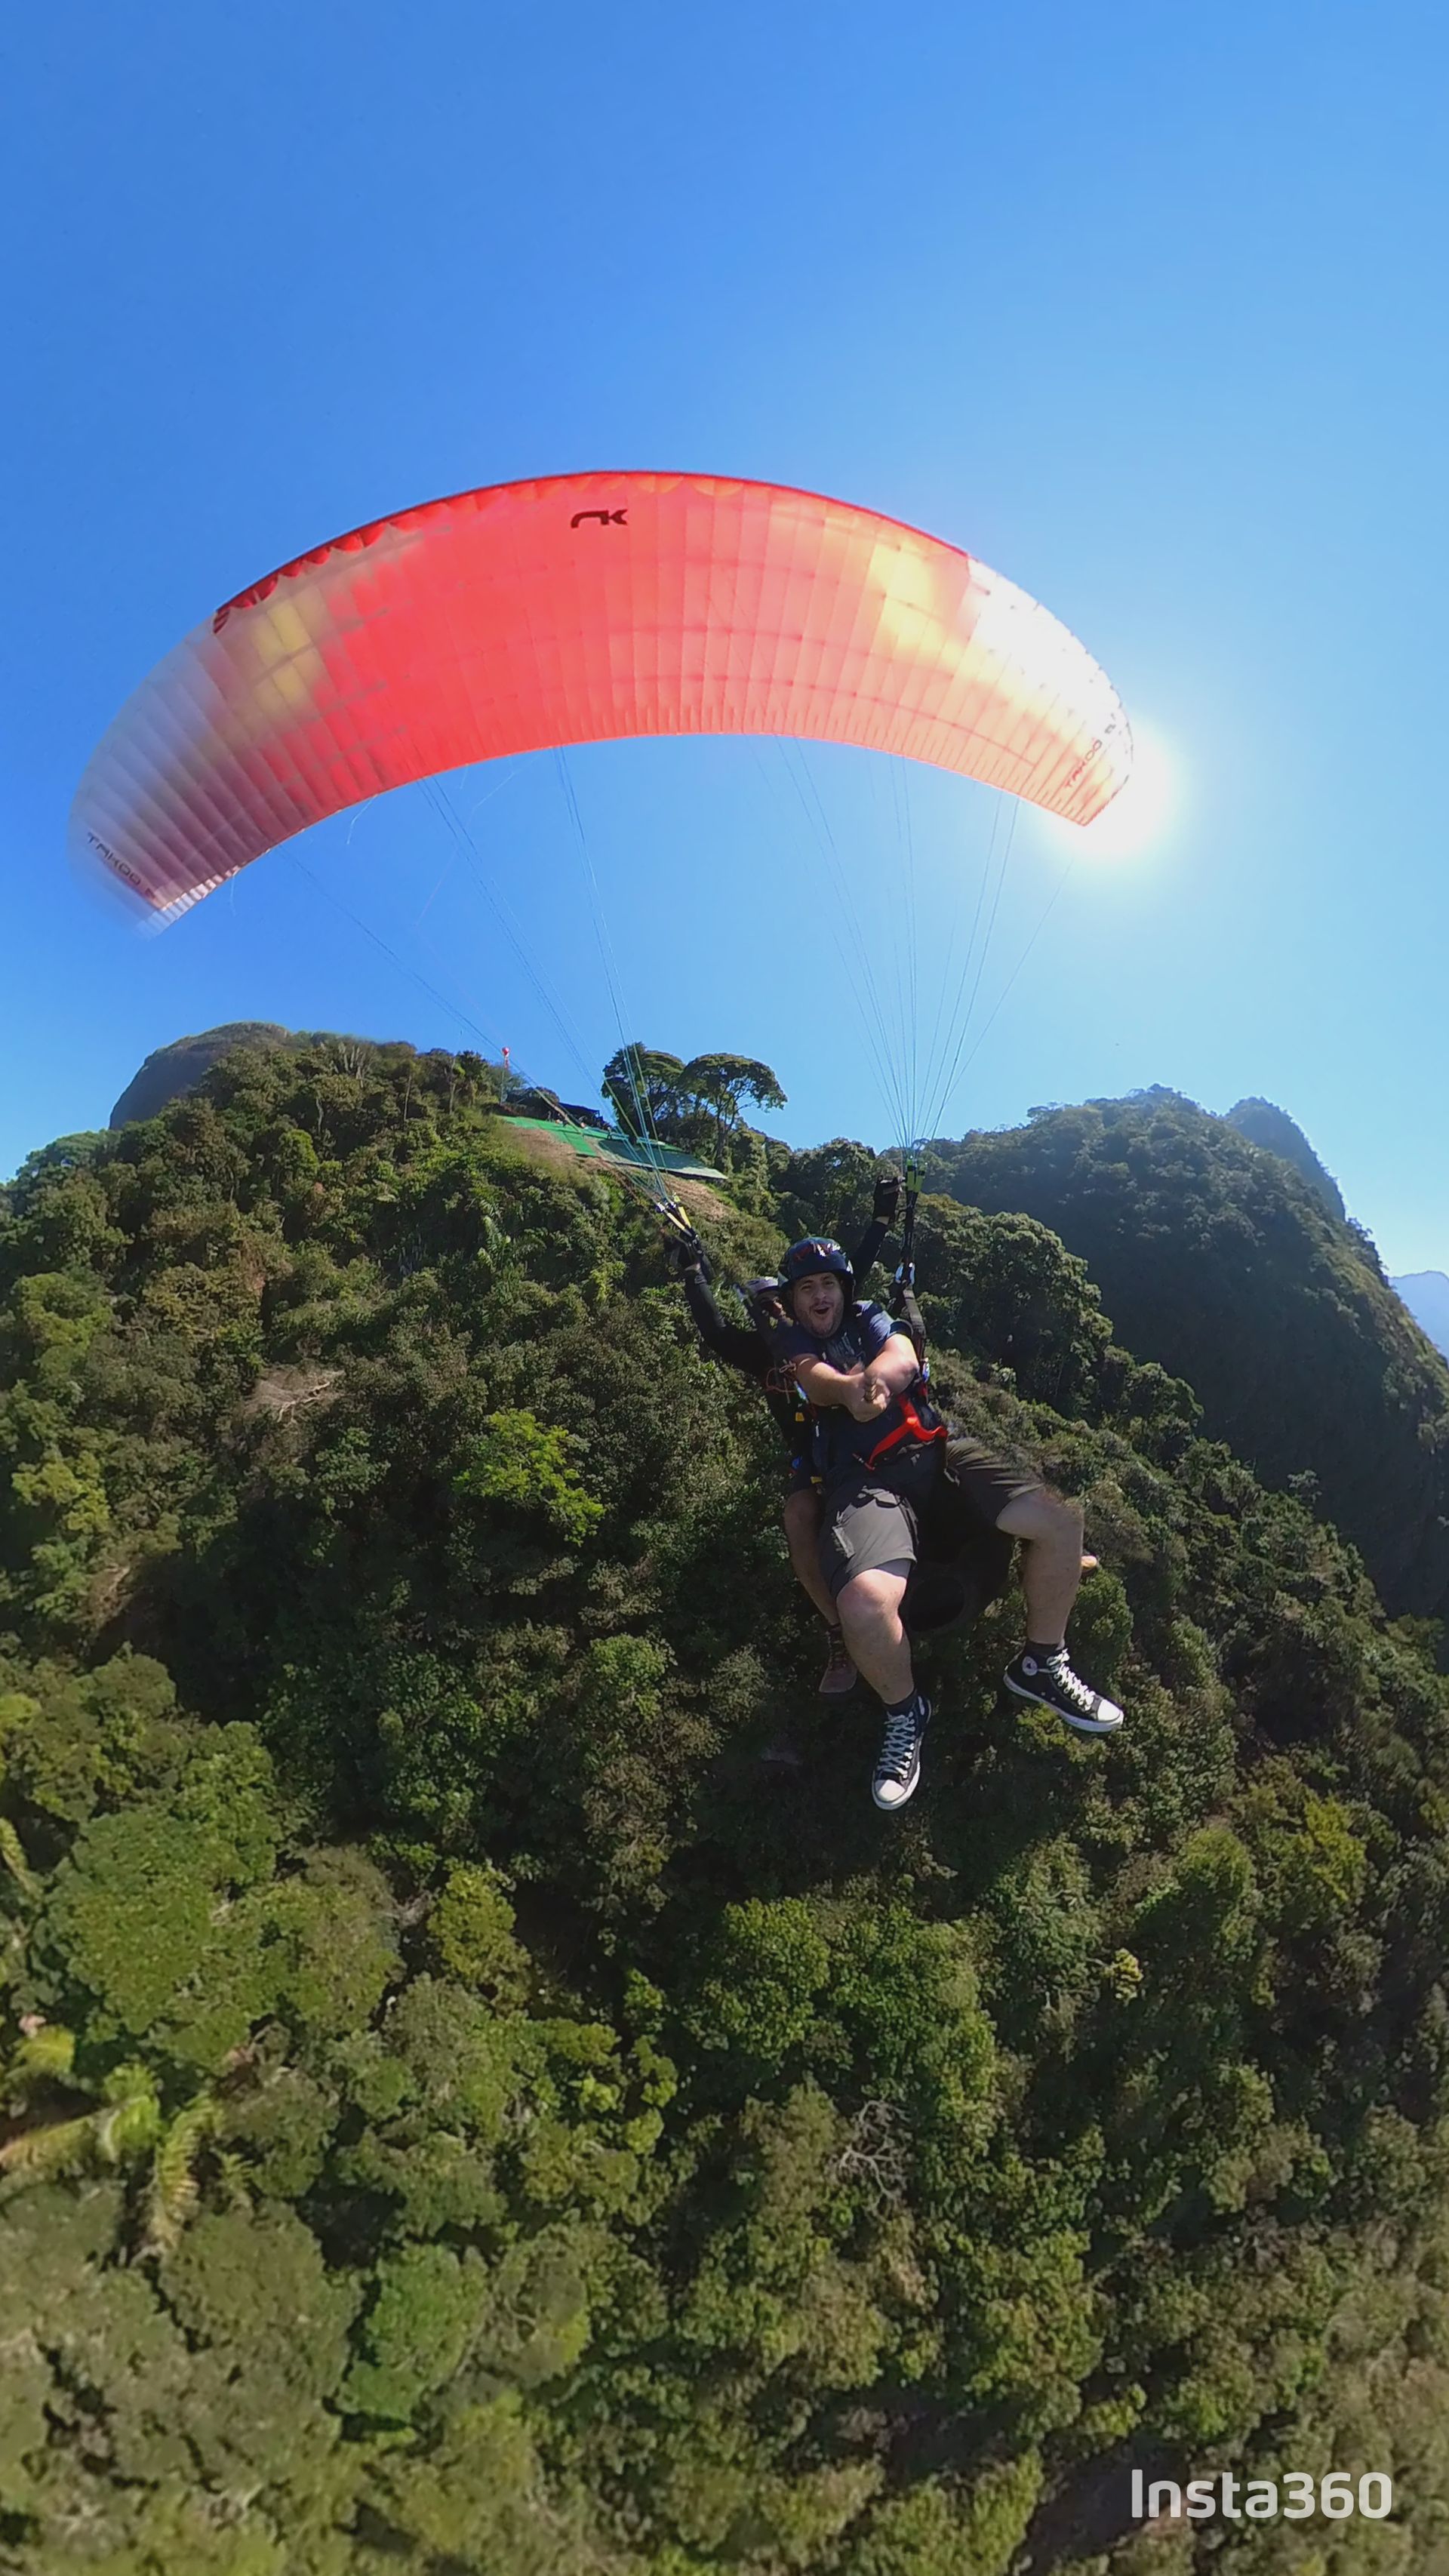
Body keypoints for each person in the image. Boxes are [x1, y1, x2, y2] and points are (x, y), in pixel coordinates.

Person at [773, 1237, 1124, 1814]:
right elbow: (812, 1378)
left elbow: (903, 1355)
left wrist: (878, 1380)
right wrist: (848, 1390)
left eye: (829, 1284)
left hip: (937, 1450)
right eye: (807, 1288)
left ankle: (1041, 1661)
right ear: (794, 1299)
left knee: (1062, 1519)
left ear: (845, 1289)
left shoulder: (868, 1319)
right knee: (863, 1604)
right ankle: (905, 1710)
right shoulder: (793, 1340)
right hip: (867, 1480)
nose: (820, 1296)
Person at [674, 1180, 901, 1696]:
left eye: (775, 1304)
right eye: (764, 1309)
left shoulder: (821, 1326)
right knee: (799, 1518)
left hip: (862, 1433)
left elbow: (847, 1276)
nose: (773, 1315)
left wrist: (880, 1223)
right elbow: (714, 1331)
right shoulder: (763, 1352)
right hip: (811, 1456)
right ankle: (838, 1629)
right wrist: (692, 1275)